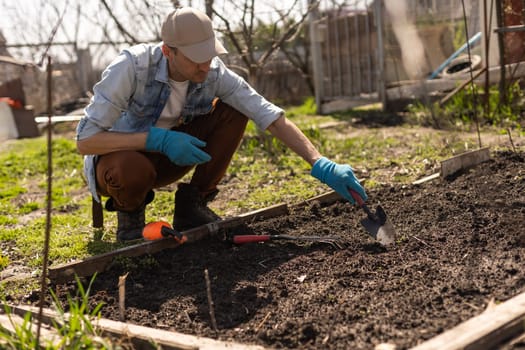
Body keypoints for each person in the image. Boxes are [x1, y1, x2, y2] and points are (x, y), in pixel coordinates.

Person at [76, 7, 368, 241]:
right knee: (130, 169)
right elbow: (86, 141)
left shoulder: (212, 72)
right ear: (169, 51)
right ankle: (130, 218)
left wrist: (319, 162)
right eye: (196, 59)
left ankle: (194, 203)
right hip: (121, 168)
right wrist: (155, 140)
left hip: (169, 159)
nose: (205, 66)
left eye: (209, 56)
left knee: (234, 109)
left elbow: (266, 113)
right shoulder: (131, 68)